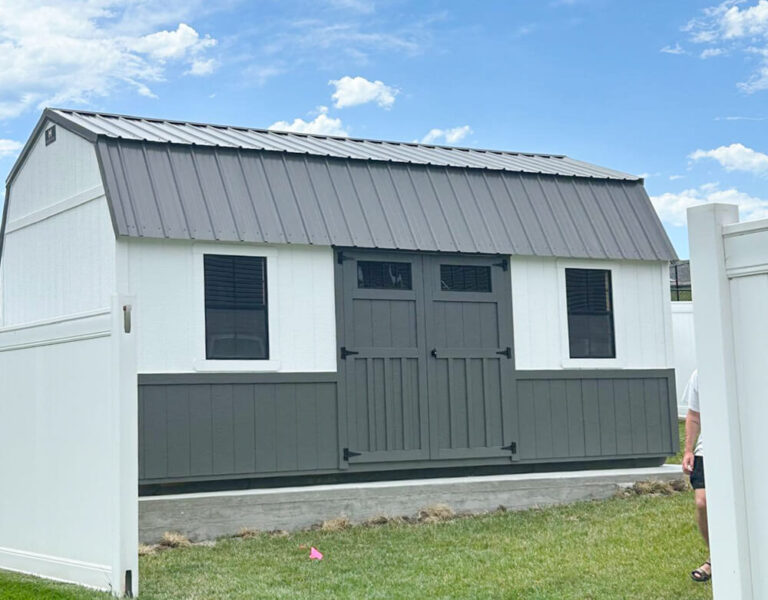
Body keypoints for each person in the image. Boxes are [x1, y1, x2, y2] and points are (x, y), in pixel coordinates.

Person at [681, 369, 710, 583]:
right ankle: (716, 557)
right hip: (706, 450)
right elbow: (693, 415)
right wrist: (688, 450)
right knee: (702, 503)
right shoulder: (700, 374)